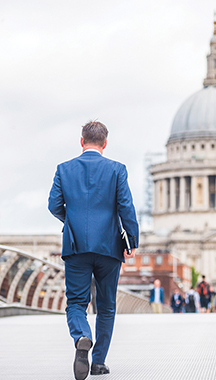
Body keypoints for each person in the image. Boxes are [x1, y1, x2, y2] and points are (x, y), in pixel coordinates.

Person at [48, 121, 138, 380]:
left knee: (76, 302)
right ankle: (98, 362)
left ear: (81, 141)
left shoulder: (63, 169)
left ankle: (81, 335)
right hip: (109, 247)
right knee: (107, 305)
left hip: (76, 247)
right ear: (105, 143)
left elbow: (54, 205)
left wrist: (73, 223)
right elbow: (126, 208)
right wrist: (131, 241)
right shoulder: (117, 169)